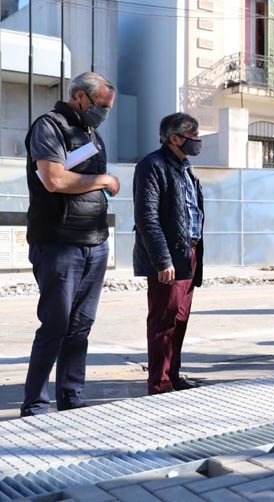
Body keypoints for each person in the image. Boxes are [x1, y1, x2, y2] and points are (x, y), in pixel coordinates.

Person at [20, 72, 120, 416]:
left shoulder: (91, 133)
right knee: (56, 325)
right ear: (80, 97)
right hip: (59, 243)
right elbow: (54, 179)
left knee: (81, 326)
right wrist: (103, 179)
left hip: (94, 242)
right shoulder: (49, 127)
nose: (104, 112)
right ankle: (34, 404)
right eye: (101, 105)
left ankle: (72, 400)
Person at [133, 112, 206, 395]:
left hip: (189, 251)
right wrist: (163, 259)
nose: (198, 140)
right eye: (193, 135)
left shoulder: (184, 167)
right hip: (169, 255)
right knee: (163, 320)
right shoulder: (152, 165)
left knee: (180, 318)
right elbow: (147, 217)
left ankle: (172, 375)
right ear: (175, 138)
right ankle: (159, 383)